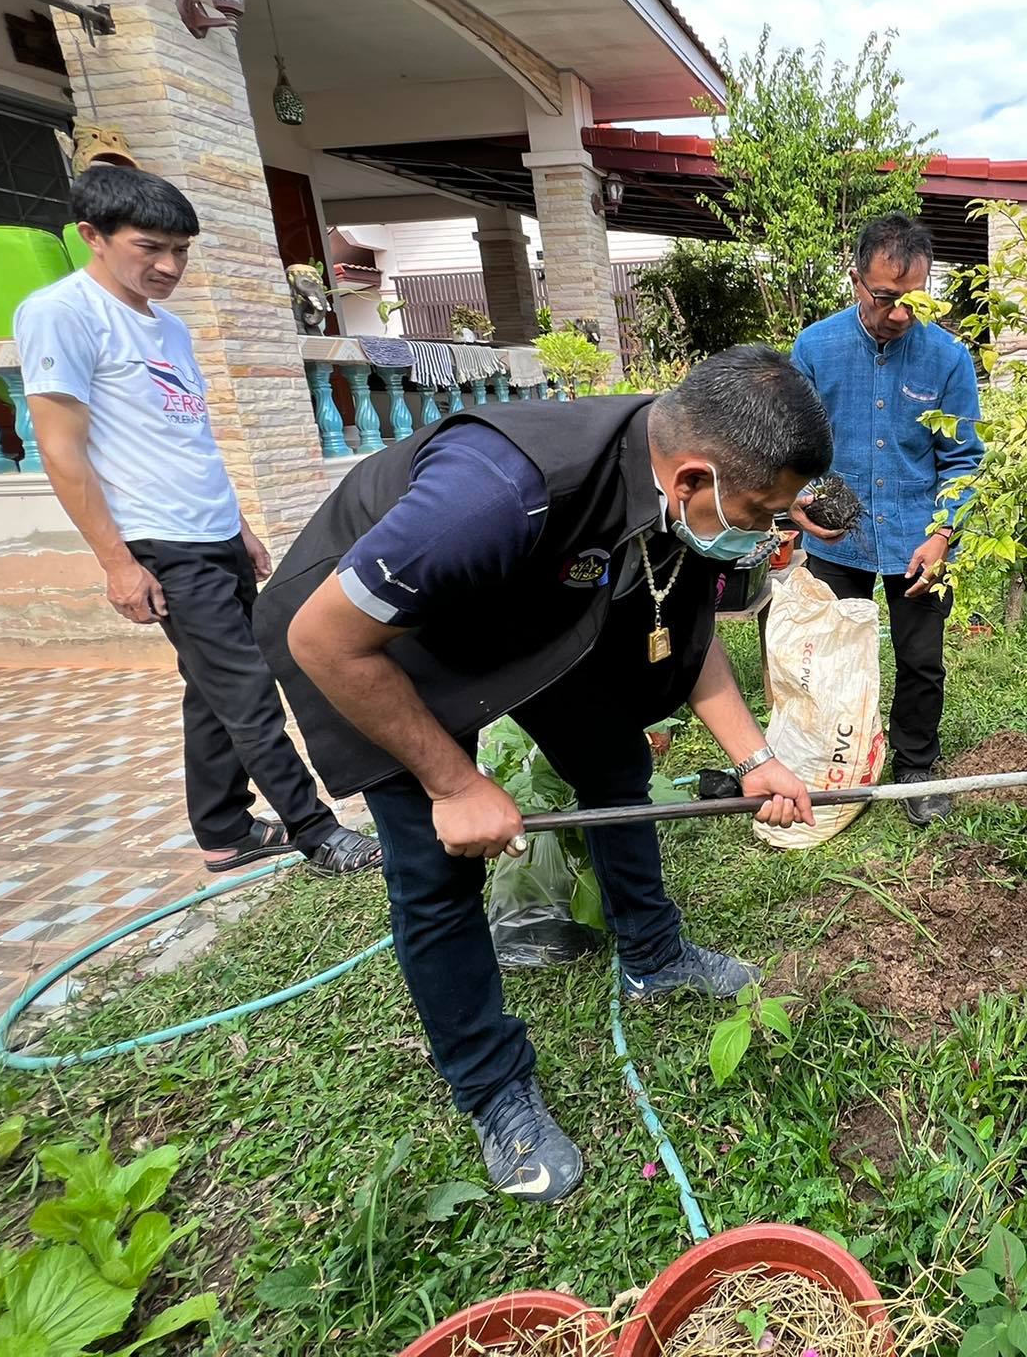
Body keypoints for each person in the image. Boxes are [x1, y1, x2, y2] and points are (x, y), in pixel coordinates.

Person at [254, 346, 826, 1202]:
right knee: (436, 868)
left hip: (530, 612)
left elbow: (685, 626)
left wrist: (755, 758)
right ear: (695, 479)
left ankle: (653, 954)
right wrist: (454, 783)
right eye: (762, 510)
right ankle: (490, 1086)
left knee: (616, 765)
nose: (771, 530)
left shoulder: (678, 489)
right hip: (384, 643)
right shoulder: (495, 491)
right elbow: (324, 639)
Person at [15, 165, 377, 877]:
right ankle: (316, 832)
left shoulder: (169, 328)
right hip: (158, 538)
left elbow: (190, 437)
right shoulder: (63, 313)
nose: (169, 265)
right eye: (150, 247)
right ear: (93, 236)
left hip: (210, 530)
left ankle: (223, 829)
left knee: (213, 689)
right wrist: (118, 562)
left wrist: (237, 523)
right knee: (247, 689)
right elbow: (62, 450)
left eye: (180, 250)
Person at [789, 213, 985, 824]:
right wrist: (795, 505)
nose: (901, 314)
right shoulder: (815, 349)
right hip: (835, 531)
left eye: (915, 300)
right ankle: (834, 760)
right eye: (886, 298)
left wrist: (943, 533)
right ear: (854, 280)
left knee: (920, 657)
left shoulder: (948, 358)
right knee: (828, 654)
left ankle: (916, 764)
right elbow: (791, 444)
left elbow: (963, 457)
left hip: (916, 538)